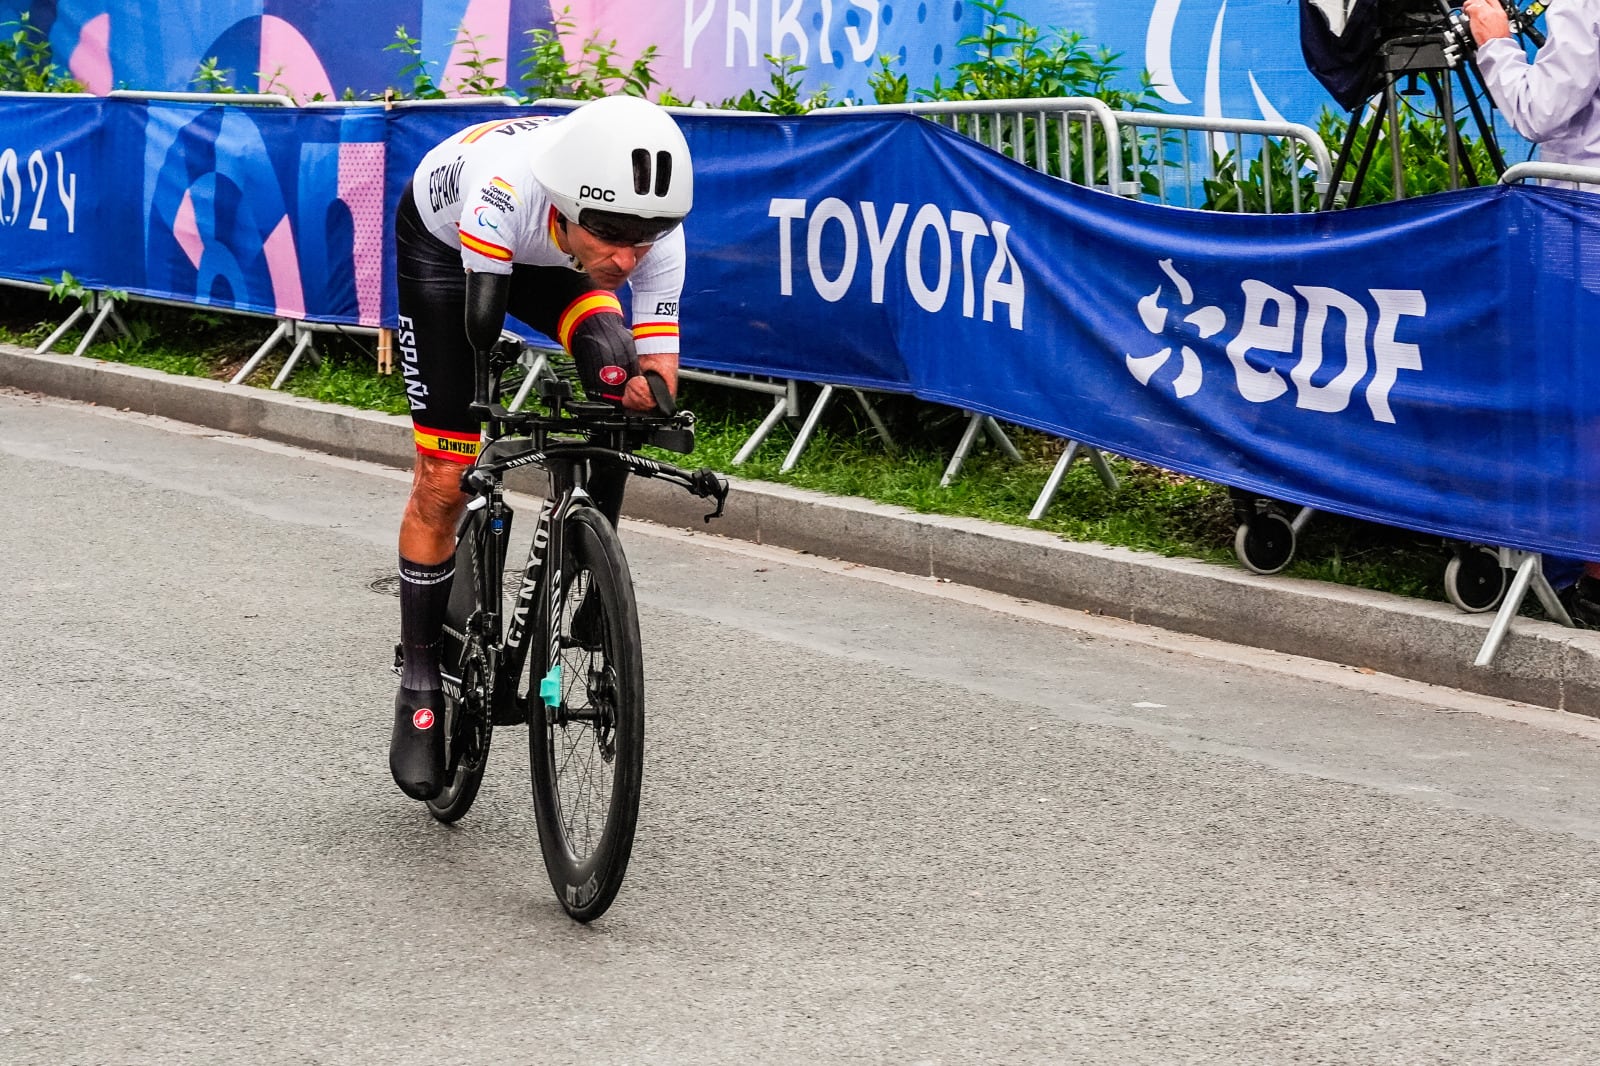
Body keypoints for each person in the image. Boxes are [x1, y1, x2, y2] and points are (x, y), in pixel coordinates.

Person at [388, 94, 693, 800]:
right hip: (451, 251)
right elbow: (482, 325)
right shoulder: (507, 187)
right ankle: (422, 682)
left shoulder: (650, 235)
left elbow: (659, 369)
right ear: (569, 204)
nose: (626, 256)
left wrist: (647, 394)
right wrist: (476, 422)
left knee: (617, 372)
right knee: (445, 473)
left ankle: (588, 559)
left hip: (556, 259)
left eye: (641, 239)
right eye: (613, 235)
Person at [1465, 0, 1600, 621]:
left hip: (1582, 230)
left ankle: (1588, 566)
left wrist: (1495, 41)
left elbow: (1539, 109)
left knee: (1582, 398)